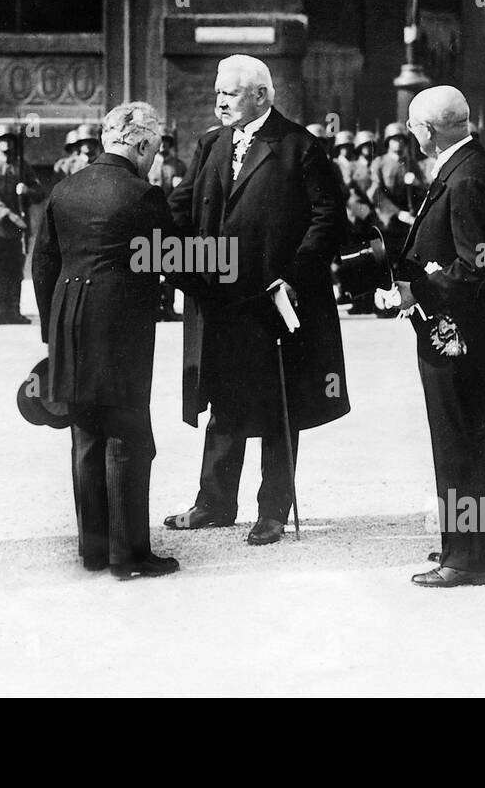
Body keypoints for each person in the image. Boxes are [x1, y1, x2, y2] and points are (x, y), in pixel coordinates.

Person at [163, 55, 350, 546]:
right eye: (217, 92)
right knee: (224, 403)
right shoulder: (210, 143)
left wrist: (294, 277)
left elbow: (327, 220)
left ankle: (272, 512)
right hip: (220, 302)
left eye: (229, 93)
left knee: (279, 408)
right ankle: (214, 504)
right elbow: (182, 207)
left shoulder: (300, 147)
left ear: (261, 96)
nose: (219, 100)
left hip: (273, 303)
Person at [33, 102, 196, 579]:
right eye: (157, 148)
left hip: (69, 324)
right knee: (128, 436)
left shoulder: (65, 188)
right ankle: (130, 556)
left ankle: (93, 550)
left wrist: (53, 329)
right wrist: (227, 276)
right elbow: (175, 260)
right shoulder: (143, 195)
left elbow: (43, 264)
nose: (156, 158)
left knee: (85, 435)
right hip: (119, 328)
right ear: (142, 144)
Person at [377, 85, 485, 587]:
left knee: (460, 447)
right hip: (453, 333)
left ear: (426, 130)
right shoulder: (465, 166)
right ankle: (464, 545)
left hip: (458, 338)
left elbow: (475, 266)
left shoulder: (467, 178)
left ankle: (467, 559)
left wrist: (414, 291)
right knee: (460, 445)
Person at [0, 124, 44, 325]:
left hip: (18, 228)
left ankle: (14, 311)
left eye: (10, 139)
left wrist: (27, 191)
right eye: (3, 139)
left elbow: (39, 193)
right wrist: (8, 215)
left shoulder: (23, 167)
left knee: (16, 270)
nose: (7, 143)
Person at [369, 121, 428, 268]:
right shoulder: (379, 163)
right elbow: (376, 194)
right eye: (395, 139)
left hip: (408, 221)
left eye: (402, 139)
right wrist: (397, 212)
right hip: (387, 221)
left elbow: (424, 192)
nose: (399, 143)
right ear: (388, 141)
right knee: (386, 263)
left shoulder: (411, 163)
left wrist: (416, 183)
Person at [147, 128, 187, 321]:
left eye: (167, 141)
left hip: (171, 220)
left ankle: (169, 307)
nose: (163, 144)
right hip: (150, 217)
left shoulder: (178, 165)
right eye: (160, 140)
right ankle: (154, 307)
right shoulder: (148, 162)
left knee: (170, 262)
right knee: (149, 263)